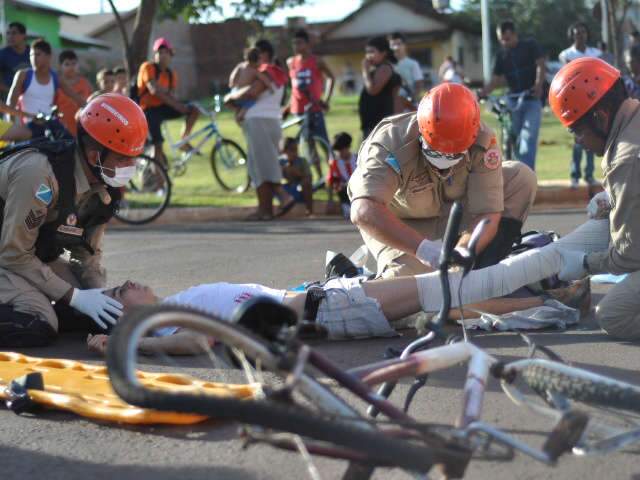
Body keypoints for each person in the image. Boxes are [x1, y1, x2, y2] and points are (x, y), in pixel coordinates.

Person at [85, 242, 590, 356]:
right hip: (328, 307)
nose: (126, 283)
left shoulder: (171, 304)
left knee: (444, 297)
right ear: (125, 310)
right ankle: (554, 279)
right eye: (117, 292)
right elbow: (200, 344)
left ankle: (546, 300)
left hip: (325, 300)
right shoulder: (164, 326)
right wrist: (133, 342)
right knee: (442, 289)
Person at [0, 93, 148, 348]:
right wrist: (74, 297)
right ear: (94, 156)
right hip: (10, 254)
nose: (131, 166)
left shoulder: (104, 187)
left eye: (134, 157)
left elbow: (86, 255)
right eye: (123, 158)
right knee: (40, 321)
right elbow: (13, 254)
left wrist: (100, 298)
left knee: (93, 310)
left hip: (26, 254)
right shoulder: (40, 175)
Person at [349, 82, 537, 280]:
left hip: (453, 214)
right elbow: (364, 210)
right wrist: (423, 249)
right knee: (407, 288)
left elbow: (488, 212)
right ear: (422, 129)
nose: (445, 163)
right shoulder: (391, 141)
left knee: (521, 177)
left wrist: (465, 249)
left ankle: (479, 277)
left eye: (454, 153)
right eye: (438, 151)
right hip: (403, 224)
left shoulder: (481, 139)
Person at [547, 56, 640, 340]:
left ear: (599, 117)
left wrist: (585, 263)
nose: (577, 141)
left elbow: (629, 257)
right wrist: (613, 198)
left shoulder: (627, 158)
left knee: (613, 314)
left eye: (576, 130)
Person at [225, 39, 295, 221]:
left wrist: (231, 98)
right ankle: (266, 210)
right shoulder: (278, 72)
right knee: (263, 166)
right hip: (272, 121)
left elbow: (251, 93)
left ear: (264, 54)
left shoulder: (265, 72)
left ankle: (271, 205)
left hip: (258, 122)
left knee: (261, 168)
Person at [480, 20, 546, 170]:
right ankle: (514, 173)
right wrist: (481, 93)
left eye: (507, 38)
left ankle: (526, 176)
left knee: (528, 138)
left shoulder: (530, 45)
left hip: (531, 99)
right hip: (513, 100)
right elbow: (495, 80)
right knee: (512, 138)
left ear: (515, 35)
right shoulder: (501, 55)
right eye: (501, 39)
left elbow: (540, 64)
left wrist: (538, 85)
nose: (504, 42)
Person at [136, 37, 199, 168]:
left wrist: (180, 106)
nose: (163, 55)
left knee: (193, 109)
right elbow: (154, 90)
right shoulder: (148, 67)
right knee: (157, 144)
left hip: (163, 106)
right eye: (160, 52)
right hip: (148, 109)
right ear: (155, 55)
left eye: (166, 52)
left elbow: (171, 95)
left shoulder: (171, 74)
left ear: (171, 55)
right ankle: (159, 184)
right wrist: (177, 105)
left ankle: (183, 140)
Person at [286, 29, 335, 179]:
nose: (296, 46)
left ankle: (334, 175)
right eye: (294, 43)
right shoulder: (291, 62)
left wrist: (325, 99)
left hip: (314, 108)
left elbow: (331, 78)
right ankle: (320, 178)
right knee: (309, 145)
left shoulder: (317, 61)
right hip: (298, 110)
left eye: (299, 43)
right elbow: (293, 87)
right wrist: (287, 107)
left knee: (323, 144)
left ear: (307, 44)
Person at [558, 22, 601, 188]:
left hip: (593, 102)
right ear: (572, 36)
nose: (580, 36)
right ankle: (574, 175)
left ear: (587, 34)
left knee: (592, 137)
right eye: (577, 33)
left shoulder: (595, 53)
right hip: (575, 104)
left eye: (583, 32)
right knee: (578, 141)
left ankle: (589, 175)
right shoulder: (565, 54)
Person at [7, 38, 86, 119]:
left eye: (37, 54)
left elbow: (76, 98)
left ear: (48, 56)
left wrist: (89, 107)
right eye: (31, 55)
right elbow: (10, 103)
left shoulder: (56, 77)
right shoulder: (23, 75)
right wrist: (10, 124)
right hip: (28, 126)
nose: (33, 58)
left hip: (49, 125)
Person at [359, 36, 402, 139]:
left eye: (372, 52)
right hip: (371, 122)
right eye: (367, 52)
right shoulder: (376, 69)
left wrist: (365, 70)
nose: (368, 56)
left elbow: (373, 90)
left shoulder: (385, 68)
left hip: (378, 122)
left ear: (383, 53)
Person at [226, 47, 273, 123]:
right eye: (260, 60)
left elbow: (233, 74)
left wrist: (231, 83)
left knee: (239, 105)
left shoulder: (241, 65)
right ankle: (242, 114)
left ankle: (237, 113)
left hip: (236, 91)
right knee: (253, 99)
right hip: (244, 93)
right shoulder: (254, 71)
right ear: (257, 61)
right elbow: (264, 79)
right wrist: (271, 88)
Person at [56, 50, 92, 137]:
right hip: (61, 130)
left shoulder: (85, 83)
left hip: (83, 128)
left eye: (74, 64)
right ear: (60, 66)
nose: (71, 67)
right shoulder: (56, 85)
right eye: (67, 64)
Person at [279, 136, 313, 216]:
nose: (295, 153)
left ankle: (309, 210)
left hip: (299, 187)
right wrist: (283, 171)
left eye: (296, 150)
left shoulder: (302, 161)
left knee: (307, 184)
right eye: (292, 150)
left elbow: (309, 178)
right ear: (284, 151)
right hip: (285, 188)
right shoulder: (280, 162)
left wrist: (299, 174)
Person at [389, 32, 425, 107]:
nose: (396, 47)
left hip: (408, 104)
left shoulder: (413, 64)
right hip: (390, 104)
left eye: (399, 44)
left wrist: (411, 99)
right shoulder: (386, 65)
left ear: (404, 45)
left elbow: (419, 84)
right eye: (393, 45)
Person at [328, 132, 357, 218]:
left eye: (341, 150)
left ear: (348, 147)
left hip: (359, 189)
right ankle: (346, 207)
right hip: (344, 191)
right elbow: (331, 181)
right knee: (339, 186)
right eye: (337, 151)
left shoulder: (358, 159)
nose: (339, 153)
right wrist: (330, 200)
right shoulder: (335, 163)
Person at [0, 22, 30, 97]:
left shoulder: (33, 53)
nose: (10, 36)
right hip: (8, 99)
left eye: (14, 33)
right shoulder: (3, 54)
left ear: (23, 35)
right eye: (8, 33)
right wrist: (13, 92)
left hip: (30, 98)